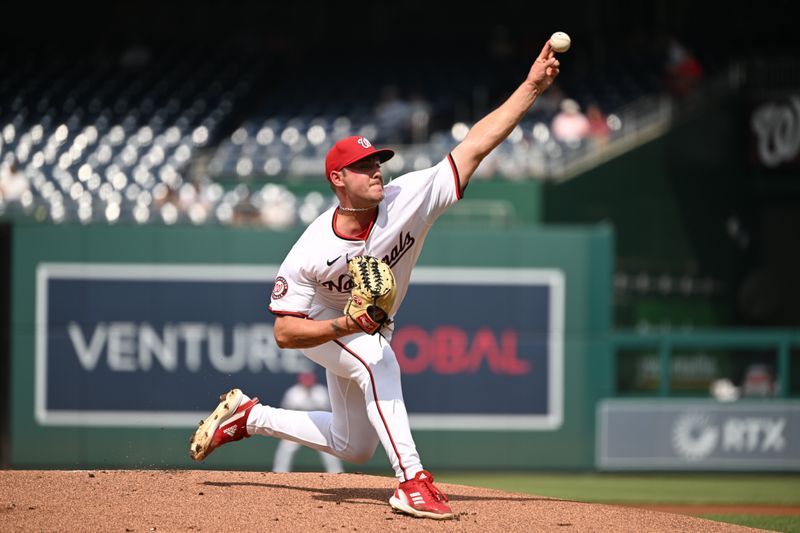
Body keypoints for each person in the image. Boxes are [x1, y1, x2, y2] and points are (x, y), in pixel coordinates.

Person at [189, 38, 562, 520]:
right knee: (376, 358)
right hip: (327, 325)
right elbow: (284, 332)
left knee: (354, 445)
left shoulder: (409, 197)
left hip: (367, 325)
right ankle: (411, 480)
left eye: (377, 162)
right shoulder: (311, 251)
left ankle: (248, 416)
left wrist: (532, 87)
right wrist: (346, 326)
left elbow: (475, 145)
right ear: (337, 180)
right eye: (363, 167)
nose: (376, 172)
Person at [272, 372, 345, 473]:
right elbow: (286, 410)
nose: (307, 383)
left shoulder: (320, 392)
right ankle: (279, 472)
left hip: (317, 425)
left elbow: (329, 410)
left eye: (309, 381)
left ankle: (337, 473)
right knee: (286, 448)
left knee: (328, 449)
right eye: (305, 381)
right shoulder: (293, 392)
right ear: (300, 381)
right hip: (297, 424)